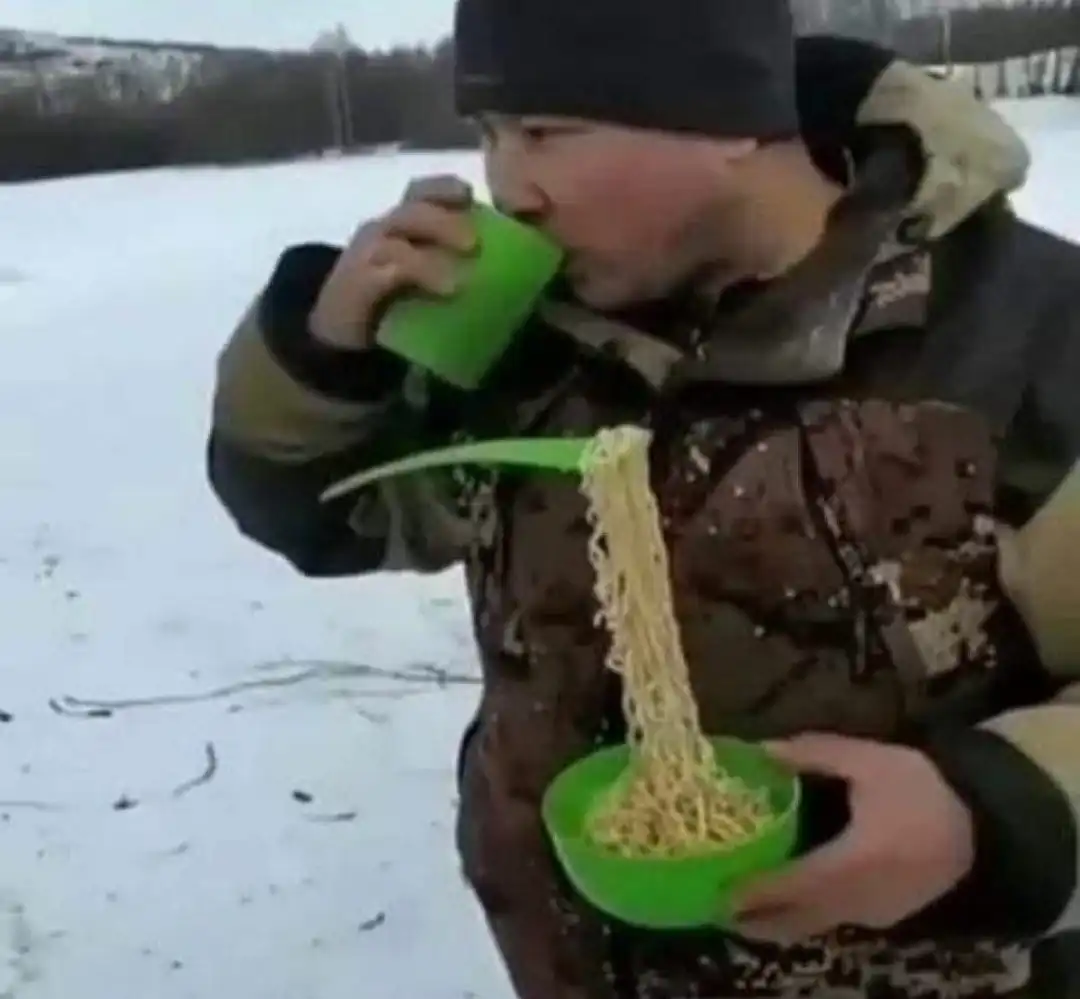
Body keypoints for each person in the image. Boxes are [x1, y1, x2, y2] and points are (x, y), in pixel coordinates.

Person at [204, 0, 1080, 995]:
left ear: (732, 117)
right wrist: (323, 357)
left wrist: (990, 820)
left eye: (545, 131)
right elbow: (327, 515)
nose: (508, 188)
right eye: (489, 133)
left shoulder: (1023, 340)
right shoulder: (531, 331)